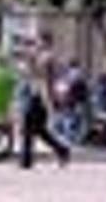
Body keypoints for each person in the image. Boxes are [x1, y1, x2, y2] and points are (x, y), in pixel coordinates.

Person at [16, 33, 70, 170]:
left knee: (30, 127)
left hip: (40, 96)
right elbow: (31, 74)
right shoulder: (41, 57)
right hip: (38, 94)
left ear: (45, 42)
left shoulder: (47, 58)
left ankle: (26, 161)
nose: (36, 44)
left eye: (38, 41)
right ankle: (62, 150)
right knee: (39, 130)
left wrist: (48, 102)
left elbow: (43, 79)